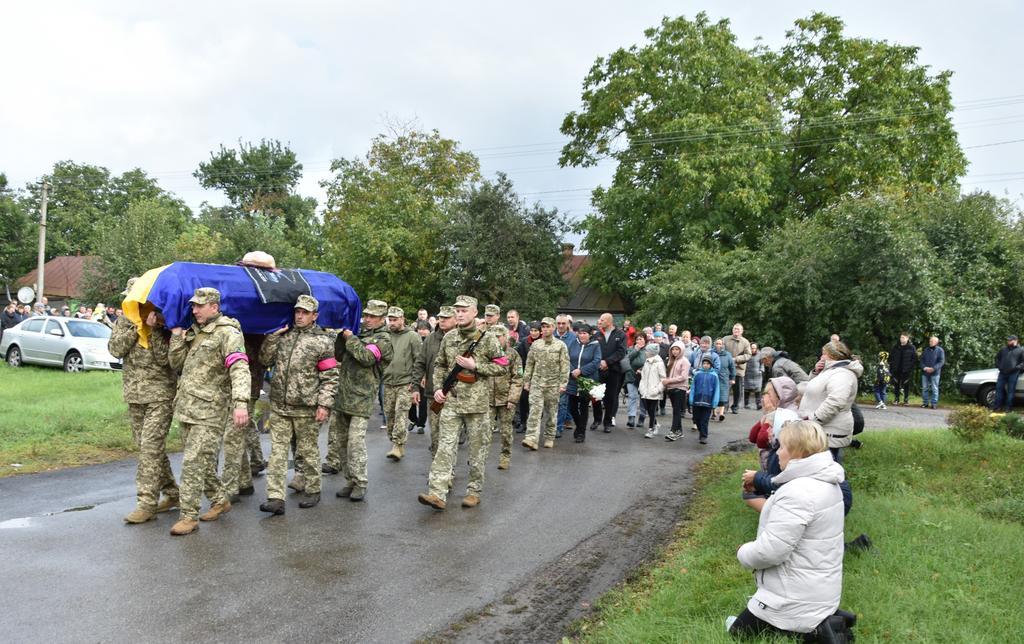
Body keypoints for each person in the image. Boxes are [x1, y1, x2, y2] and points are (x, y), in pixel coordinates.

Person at [730, 421, 845, 640]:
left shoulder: (798, 492)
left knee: (736, 634)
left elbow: (771, 552)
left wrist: (743, 552)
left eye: (781, 447)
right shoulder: (827, 481)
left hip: (793, 598)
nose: (777, 453)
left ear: (797, 452)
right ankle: (819, 627)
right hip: (821, 591)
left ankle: (808, 632)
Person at [166, 288, 251, 536]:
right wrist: (176, 337)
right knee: (201, 462)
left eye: (199, 306)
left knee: (192, 462)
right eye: (193, 306)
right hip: (187, 408)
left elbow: (239, 367)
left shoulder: (228, 333)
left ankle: (188, 516)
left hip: (210, 411)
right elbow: (177, 364)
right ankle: (220, 499)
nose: (194, 310)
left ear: (214, 306)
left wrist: (241, 402)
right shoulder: (196, 332)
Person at [418, 295, 505, 511]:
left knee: (477, 450)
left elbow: (502, 366)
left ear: (475, 313)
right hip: (452, 402)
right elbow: (439, 365)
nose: (459, 313)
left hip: (477, 406)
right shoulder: (449, 338)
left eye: (464, 310)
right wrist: (438, 388)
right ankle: (437, 492)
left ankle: (474, 491)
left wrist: (476, 366)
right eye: (457, 310)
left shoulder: (488, 339)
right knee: (444, 448)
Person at [256, 295, 338, 515]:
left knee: (307, 451)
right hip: (280, 406)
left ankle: (313, 489)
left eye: (304, 313)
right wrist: (273, 338)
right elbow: (264, 360)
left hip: (306, 407)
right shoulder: (284, 336)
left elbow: (330, 376)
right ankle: (275, 497)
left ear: (315, 316)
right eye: (297, 312)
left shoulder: (323, 341)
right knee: (277, 453)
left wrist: (324, 405)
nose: (299, 316)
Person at [107, 301, 179, 524]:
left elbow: (167, 361)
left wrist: (154, 330)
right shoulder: (124, 322)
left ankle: (146, 504)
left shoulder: (164, 322)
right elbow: (115, 349)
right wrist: (135, 329)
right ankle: (173, 493)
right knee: (148, 448)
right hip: (134, 395)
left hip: (160, 395)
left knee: (150, 447)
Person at [328, 300, 393, 502]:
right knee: (342, 442)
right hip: (344, 395)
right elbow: (339, 355)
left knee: (355, 443)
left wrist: (351, 338)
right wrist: (342, 335)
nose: (368, 319)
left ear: (382, 319)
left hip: (362, 398)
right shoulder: (359, 334)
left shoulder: (383, 340)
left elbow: (366, 357)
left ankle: (361, 482)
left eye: (373, 316)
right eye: (366, 315)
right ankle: (350, 480)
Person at [798, 341, 862, 463]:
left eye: (823, 354)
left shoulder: (842, 374)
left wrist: (814, 420)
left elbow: (836, 401)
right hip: (822, 429)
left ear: (832, 356)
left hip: (830, 430)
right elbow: (812, 388)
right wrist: (816, 372)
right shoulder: (831, 370)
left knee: (830, 471)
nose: (821, 357)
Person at [411, 306, 455, 457]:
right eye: (441, 317)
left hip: (456, 396)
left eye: (447, 318)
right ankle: (438, 467)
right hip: (432, 394)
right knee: (435, 434)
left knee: (450, 436)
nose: (442, 320)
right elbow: (420, 363)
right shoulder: (431, 339)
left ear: (456, 320)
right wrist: (416, 387)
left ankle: (448, 469)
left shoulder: (462, 338)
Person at [522, 317, 570, 450]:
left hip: (553, 384)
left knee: (551, 413)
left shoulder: (560, 345)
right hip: (537, 383)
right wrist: (526, 381)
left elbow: (565, 366)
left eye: (548, 326)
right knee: (534, 412)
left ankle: (549, 436)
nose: (545, 329)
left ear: (553, 328)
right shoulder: (536, 345)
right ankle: (531, 438)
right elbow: (530, 363)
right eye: (543, 327)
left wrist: (563, 383)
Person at [381, 307, 421, 461]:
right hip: (388, 381)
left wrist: (415, 382)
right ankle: (396, 442)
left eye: (395, 320)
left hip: (406, 383)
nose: (392, 323)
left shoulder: (413, 336)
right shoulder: (385, 335)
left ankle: (398, 444)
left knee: (401, 413)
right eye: (390, 320)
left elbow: (419, 361)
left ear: (402, 319)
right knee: (389, 414)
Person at [489, 325, 523, 468]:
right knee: (484, 431)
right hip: (487, 399)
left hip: (506, 399)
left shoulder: (512, 354)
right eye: (493, 337)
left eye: (499, 337)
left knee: (506, 431)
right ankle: (479, 457)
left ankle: (505, 456)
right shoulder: (486, 353)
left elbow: (518, 378)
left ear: (505, 337)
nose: (496, 340)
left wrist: (513, 399)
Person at [567, 323, 602, 443]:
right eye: (580, 333)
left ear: (589, 334)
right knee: (571, 407)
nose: (582, 335)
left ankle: (581, 432)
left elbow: (596, 362)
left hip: (586, 381)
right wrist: (573, 370)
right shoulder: (573, 343)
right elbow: (567, 358)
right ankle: (579, 426)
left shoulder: (595, 345)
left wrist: (581, 371)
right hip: (572, 380)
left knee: (583, 407)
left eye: (584, 333)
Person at [593, 313, 628, 432]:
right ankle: (597, 419)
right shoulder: (597, 335)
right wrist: (599, 362)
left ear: (609, 321)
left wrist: (607, 362)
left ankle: (607, 422)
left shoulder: (621, 334)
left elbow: (621, 352)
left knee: (611, 397)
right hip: (598, 370)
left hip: (614, 370)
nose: (600, 321)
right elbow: (593, 350)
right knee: (596, 395)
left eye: (602, 320)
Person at [514, 322, 541, 433]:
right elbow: (518, 357)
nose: (533, 333)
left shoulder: (543, 342)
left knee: (536, 401)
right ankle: (523, 422)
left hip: (540, 375)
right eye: (532, 330)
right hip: (526, 374)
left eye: (536, 331)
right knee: (524, 399)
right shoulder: (525, 341)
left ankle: (534, 424)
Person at [662, 341, 691, 442]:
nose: (675, 351)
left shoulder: (685, 361)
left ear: (681, 350)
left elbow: (683, 377)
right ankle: (679, 431)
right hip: (671, 389)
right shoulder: (670, 360)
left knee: (676, 411)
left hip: (680, 388)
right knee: (676, 410)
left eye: (677, 349)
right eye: (673, 349)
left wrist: (668, 381)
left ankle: (674, 431)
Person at [553, 314, 577, 436]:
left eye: (563, 323)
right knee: (551, 402)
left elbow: (574, 356)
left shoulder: (573, 338)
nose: (561, 326)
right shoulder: (551, 335)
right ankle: (552, 425)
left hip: (566, 374)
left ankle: (558, 427)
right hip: (551, 373)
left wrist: (571, 371)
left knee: (562, 401)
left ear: (567, 324)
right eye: (559, 323)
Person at [688, 357, 719, 445]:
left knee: (704, 420)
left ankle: (703, 436)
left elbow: (716, 390)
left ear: (711, 365)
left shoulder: (714, 376)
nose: (705, 365)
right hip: (697, 401)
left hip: (708, 401)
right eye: (704, 363)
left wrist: (714, 402)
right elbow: (693, 387)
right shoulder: (697, 374)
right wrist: (691, 398)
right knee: (696, 419)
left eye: (707, 364)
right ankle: (701, 431)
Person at [722, 323, 752, 414]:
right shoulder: (725, 339)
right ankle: (725, 406)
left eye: (738, 329)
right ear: (732, 330)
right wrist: (728, 360)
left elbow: (748, 355)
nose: (736, 331)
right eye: (735, 329)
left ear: (742, 331)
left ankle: (735, 406)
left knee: (737, 390)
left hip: (739, 369)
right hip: (727, 368)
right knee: (725, 387)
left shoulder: (745, 342)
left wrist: (736, 359)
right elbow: (721, 350)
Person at [639, 343, 666, 438]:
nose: (645, 352)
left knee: (652, 410)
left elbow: (663, 378)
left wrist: (657, 390)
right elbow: (643, 376)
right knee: (648, 410)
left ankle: (651, 429)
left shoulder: (659, 363)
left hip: (654, 392)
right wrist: (641, 388)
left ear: (651, 352)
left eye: (647, 351)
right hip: (645, 391)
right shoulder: (646, 362)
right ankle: (656, 424)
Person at [994, 334, 1024, 412]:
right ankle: (997, 407)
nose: (1008, 341)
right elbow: (997, 358)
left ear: (1015, 340)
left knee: (1011, 391)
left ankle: (1008, 408)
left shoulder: (1021, 350)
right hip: (1002, 373)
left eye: (1010, 340)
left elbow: (1023, 362)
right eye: (1008, 340)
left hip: (1013, 374)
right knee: (998, 389)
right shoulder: (1003, 349)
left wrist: (1016, 368)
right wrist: (999, 366)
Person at [624, 334, 648, 428]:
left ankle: (642, 417)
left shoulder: (647, 350)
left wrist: (642, 370)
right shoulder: (630, 349)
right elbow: (627, 359)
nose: (639, 341)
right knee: (632, 397)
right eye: (637, 339)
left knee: (643, 399)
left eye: (641, 339)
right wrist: (636, 350)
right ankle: (631, 418)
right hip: (631, 377)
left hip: (644, 378)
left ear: (645, 340)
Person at [887, 333, 917, 406]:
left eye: (903, 337)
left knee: (906, 385)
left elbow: (914, 359)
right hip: (896, 369)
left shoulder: (911, 347)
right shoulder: (896, 347)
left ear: (907, 338)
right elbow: (891, 358)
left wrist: (910, 368)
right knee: (896, 384)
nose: (901, 339)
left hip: (906, 370)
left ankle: (906, 400)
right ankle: (896, 399)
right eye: (901, 337)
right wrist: (891, 367)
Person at [714, 338, 736, 422]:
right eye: (717, 343)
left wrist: (732, 378)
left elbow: (732, 367)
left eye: (720, 344)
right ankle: (714, 412)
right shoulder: (712, 353)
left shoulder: (728, 355)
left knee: (723, 396)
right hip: (714, 377)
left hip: (724, 378)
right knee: (714, 395)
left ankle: (721, 414)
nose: (718, 345)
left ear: (723, 345)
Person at [920, 335, 945, 409]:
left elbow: (941, 361)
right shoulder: (925, 350)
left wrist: (933, 368)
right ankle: (925, 403)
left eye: (932, 341)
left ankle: (934, 403)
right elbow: (921, 361)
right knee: (925, 388)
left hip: (935, 373)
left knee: (934, 388)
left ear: (936, 342)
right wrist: (924, 367)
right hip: (925, 372)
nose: (930, 342)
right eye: (930, 341)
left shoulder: (940, 350)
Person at [743, 343, 763, 410]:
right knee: (746, 390)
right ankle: (746, 404)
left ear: (756, 348)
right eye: (752, 348)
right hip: (747, 374)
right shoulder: (746, 354)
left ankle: (758, 404)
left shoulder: (760, 355)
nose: (753, 349)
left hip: (757, 375)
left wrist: (761, 370)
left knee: (758, 390)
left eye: (754, 348)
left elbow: (762, 363)